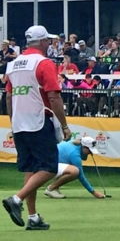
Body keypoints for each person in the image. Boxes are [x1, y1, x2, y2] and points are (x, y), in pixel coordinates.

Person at [2, 25, 72, 231]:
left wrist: (12, 122)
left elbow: (8, 96)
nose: (49, 43)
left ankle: (33, 217)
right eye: (48, 40)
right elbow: (53, 96)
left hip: (19, 122)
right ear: (42, 42)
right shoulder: (44, 63)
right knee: (49, 167)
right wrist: (65, 125)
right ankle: (17, 198)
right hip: (39, 120)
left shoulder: (13, 64)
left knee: (31, 169)